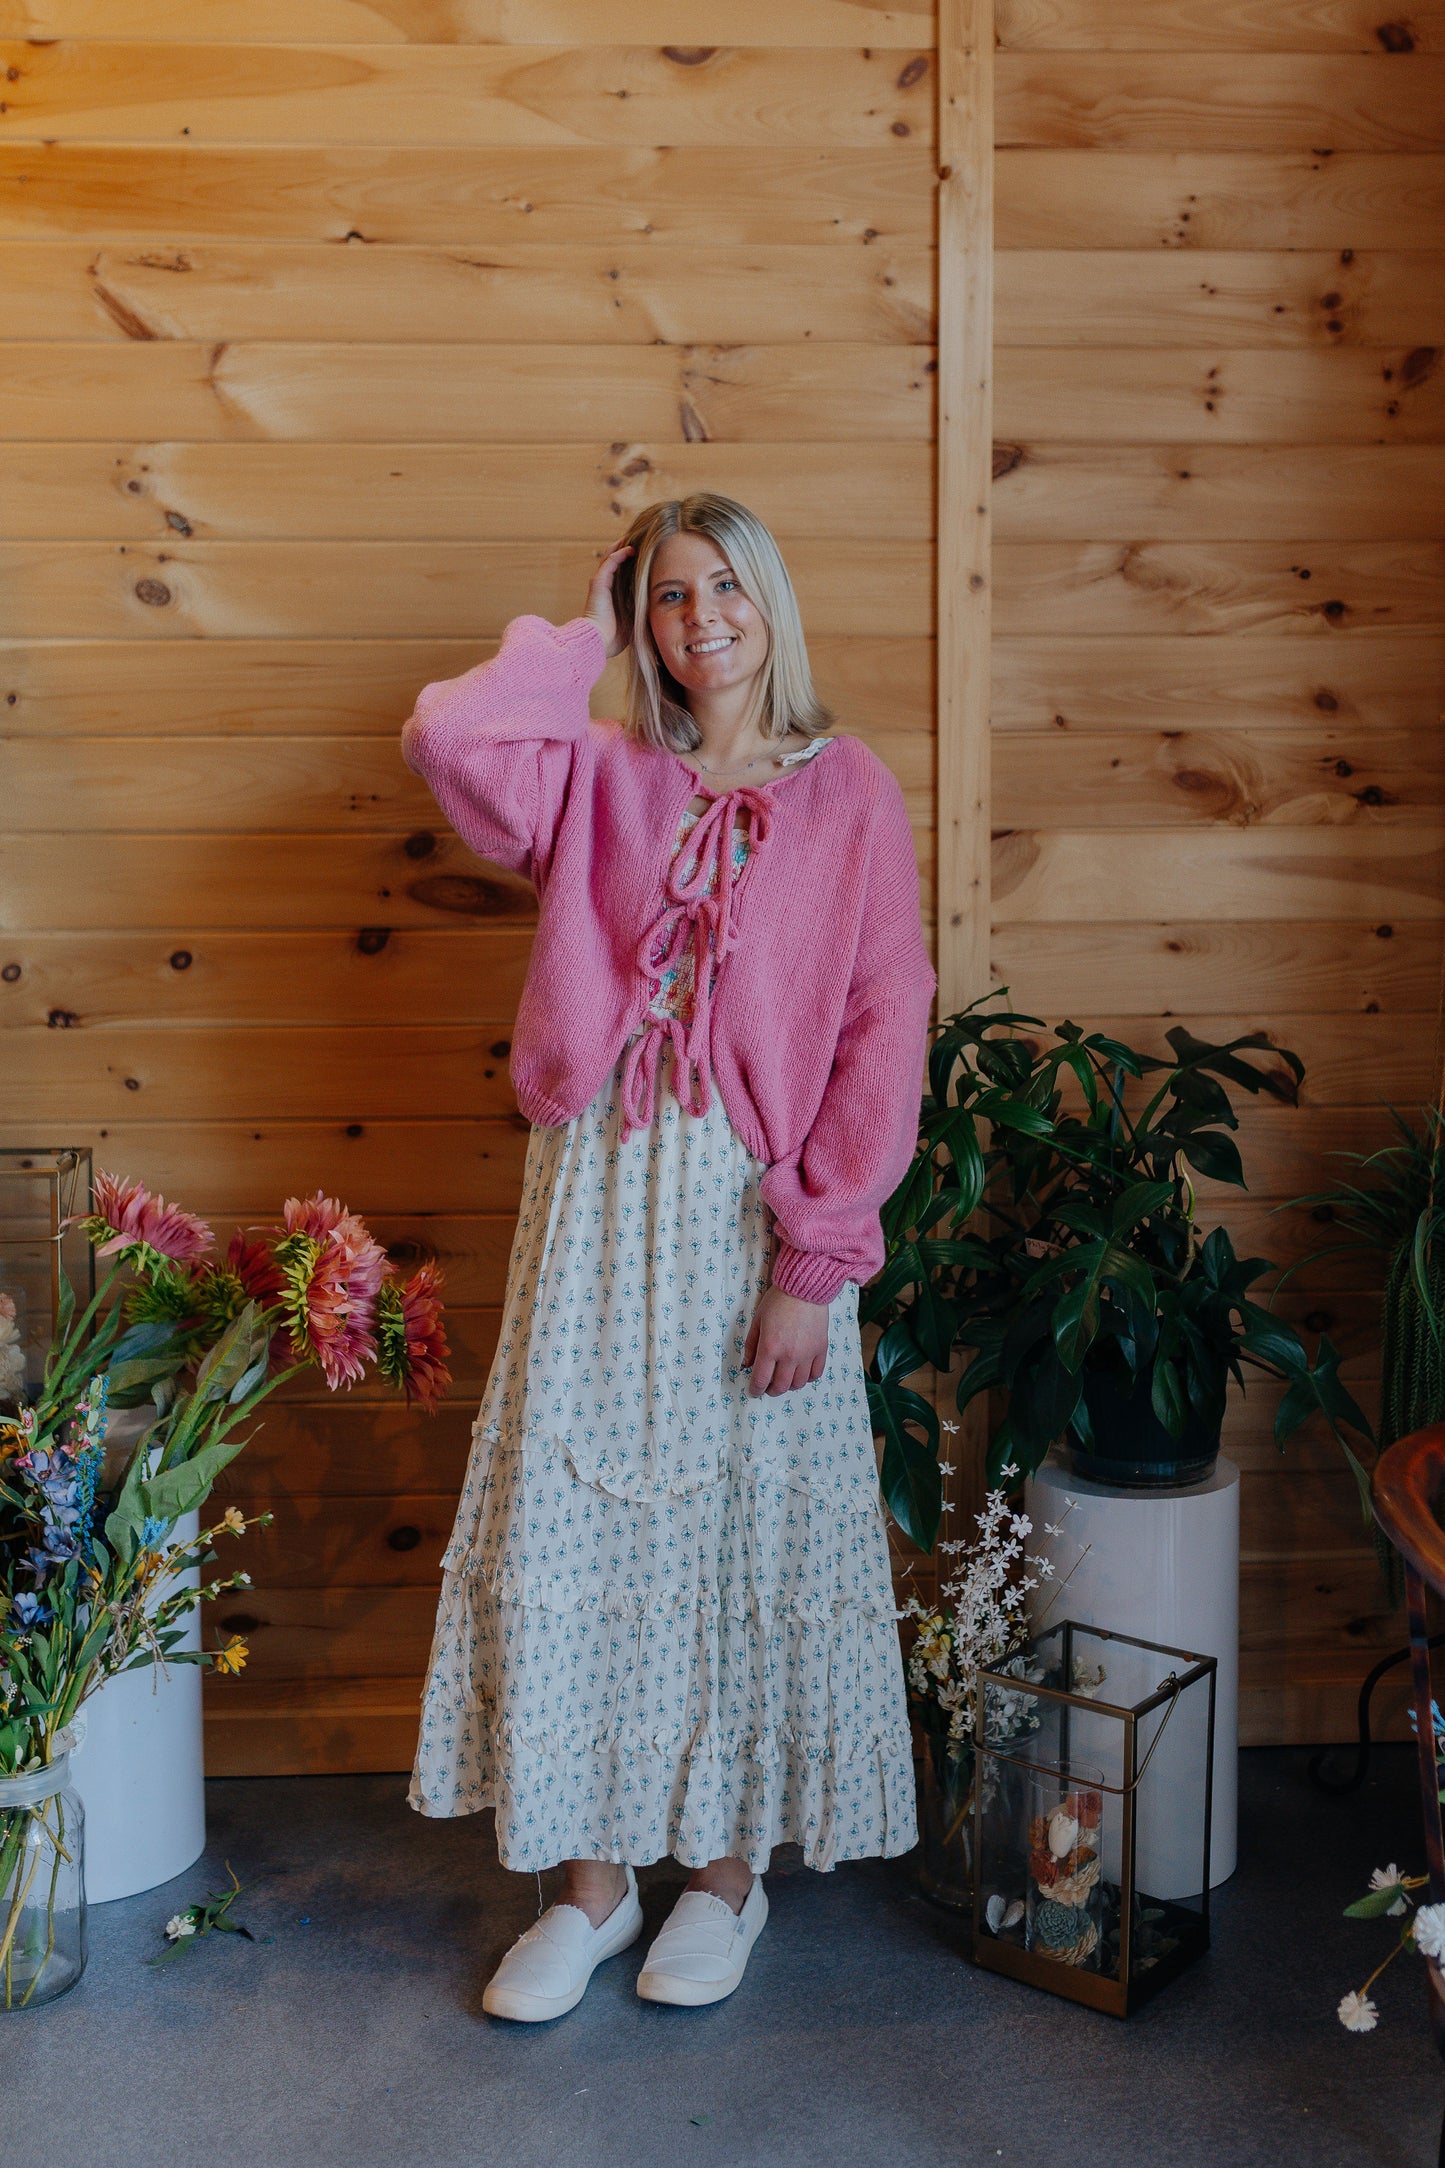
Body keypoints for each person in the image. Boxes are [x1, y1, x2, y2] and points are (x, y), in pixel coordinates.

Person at [402, 491, 935, 2021]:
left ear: (769, 597)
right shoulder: (597, 770)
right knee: (574, 1526)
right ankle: (586, 1885)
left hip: (743, 1210)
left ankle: (718, 1877)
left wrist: (811, 1261)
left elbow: (879, 1028)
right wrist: (582, 626)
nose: (698, 618)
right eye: (665, 597)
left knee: (734, 1534)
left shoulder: (851, 799)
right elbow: (451, 737)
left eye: (721, 587)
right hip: (595, 1195)